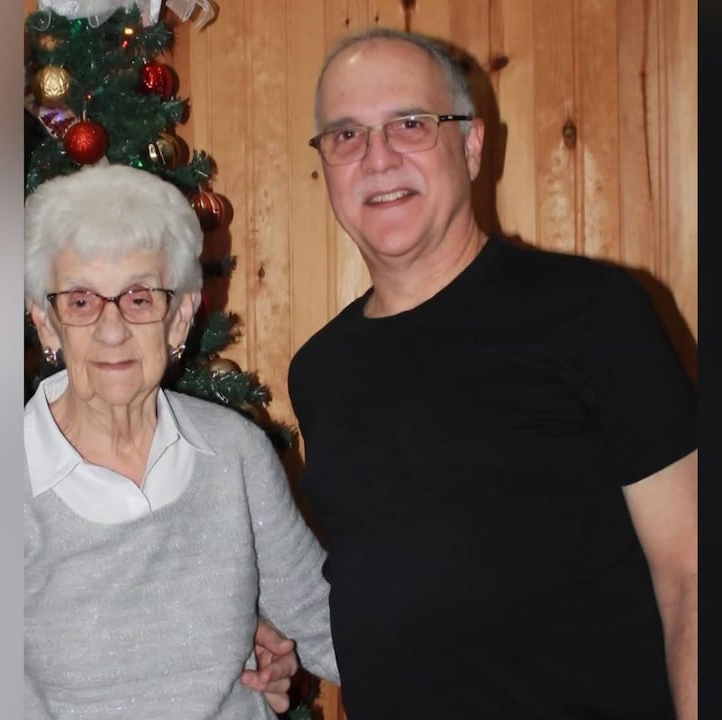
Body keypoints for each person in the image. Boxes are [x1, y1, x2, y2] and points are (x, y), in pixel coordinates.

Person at [289, 28, 698, 719]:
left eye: (410, 124)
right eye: (346, 135)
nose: (377, 159)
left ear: (472, 145)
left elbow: (692, 574)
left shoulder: (592, 313)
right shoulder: (320, 371)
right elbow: (389, 585)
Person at [23, 163, 338, 719]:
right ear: (46, 323)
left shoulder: (233, 452)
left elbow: (324, 622)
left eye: (140, 298)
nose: (112, 330)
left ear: (180, 318)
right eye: (81, 301)